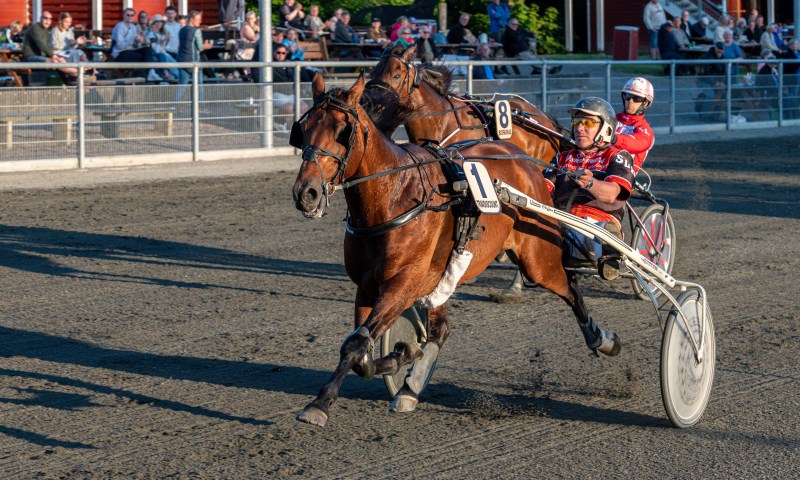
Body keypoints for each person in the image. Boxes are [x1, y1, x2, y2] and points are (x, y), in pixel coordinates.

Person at [543, 97, 634, 277]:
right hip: (560, 220)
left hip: (594, 223)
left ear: (606, 129)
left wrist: (591, 183)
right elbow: (543, 190)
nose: (579, 128)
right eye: (576, 122)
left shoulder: (617, 156)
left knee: (594, 233)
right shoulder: (561, 158)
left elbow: (612, 194)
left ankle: (609, 250)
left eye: (588, 122)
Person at [614, 77, 655, 174]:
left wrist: (612, 138)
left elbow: (637, 143)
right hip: (596, 168)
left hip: (620, 177)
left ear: (646, 103)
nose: (630, 101)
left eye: (637, 98)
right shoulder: (611, 118)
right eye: (627, 96)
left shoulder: (645, 129)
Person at [22, 11, 79, 78]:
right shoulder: (35, 28)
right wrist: (53, 56)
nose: (47, 21)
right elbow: (41, 45)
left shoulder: (45, 30)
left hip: (41, 56)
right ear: (41, 18)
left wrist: (56, 57)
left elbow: (48, 45)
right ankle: (76, 72)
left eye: (49, 19)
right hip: (30, 57)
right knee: (54, 61)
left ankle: (75, 76)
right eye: (45, 18)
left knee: (64, 59)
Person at [175, 10, 212, 103]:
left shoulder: (182, 30)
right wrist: (206, 46)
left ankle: (175, 104)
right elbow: (200, 47)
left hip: (181, 60)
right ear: (192, 19)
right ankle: (200, 104)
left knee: (182, 84)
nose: (200, 21)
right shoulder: (196, 31)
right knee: (198, 84)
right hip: (193, 61)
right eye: (198, 19)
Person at [111, 8, 158, 79]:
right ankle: (144, 76)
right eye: (128, 15)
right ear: (123, 15)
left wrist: (139, 41)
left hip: (131, 50)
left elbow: (135, 45)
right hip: (120, 53)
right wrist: (133, 42)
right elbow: (120, 46)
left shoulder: (133, 27)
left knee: (148, 50)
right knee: (142, 57)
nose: (130, 17)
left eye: (132, 15)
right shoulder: (119, 27)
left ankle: (151, 73)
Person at [695, 42, 726, 119]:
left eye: (721, 50)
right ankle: (703, 114)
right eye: (719, 50)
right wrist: (715, 82)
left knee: (723, 94)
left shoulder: (723, 57)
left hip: (716, 82)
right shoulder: (708, 57)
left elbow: (723, 72)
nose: (720, 52)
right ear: (715, 48)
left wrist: (721, 82)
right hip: (704, 81)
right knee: (711, 96)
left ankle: (715, 115)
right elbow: (706, 73)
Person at [148, 14, 178, 80]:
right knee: (173, 63)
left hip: (165, 54)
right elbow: (154, 50)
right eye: (157, 22)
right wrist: (162, 41)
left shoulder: (162, 33)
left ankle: (178, 76)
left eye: (160, 22)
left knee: (174, 62)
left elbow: (165, 48)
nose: (159, 24)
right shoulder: (151, 34)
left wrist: (167, 41)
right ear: (153, 23)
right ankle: (180, 76)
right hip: (159, 56)